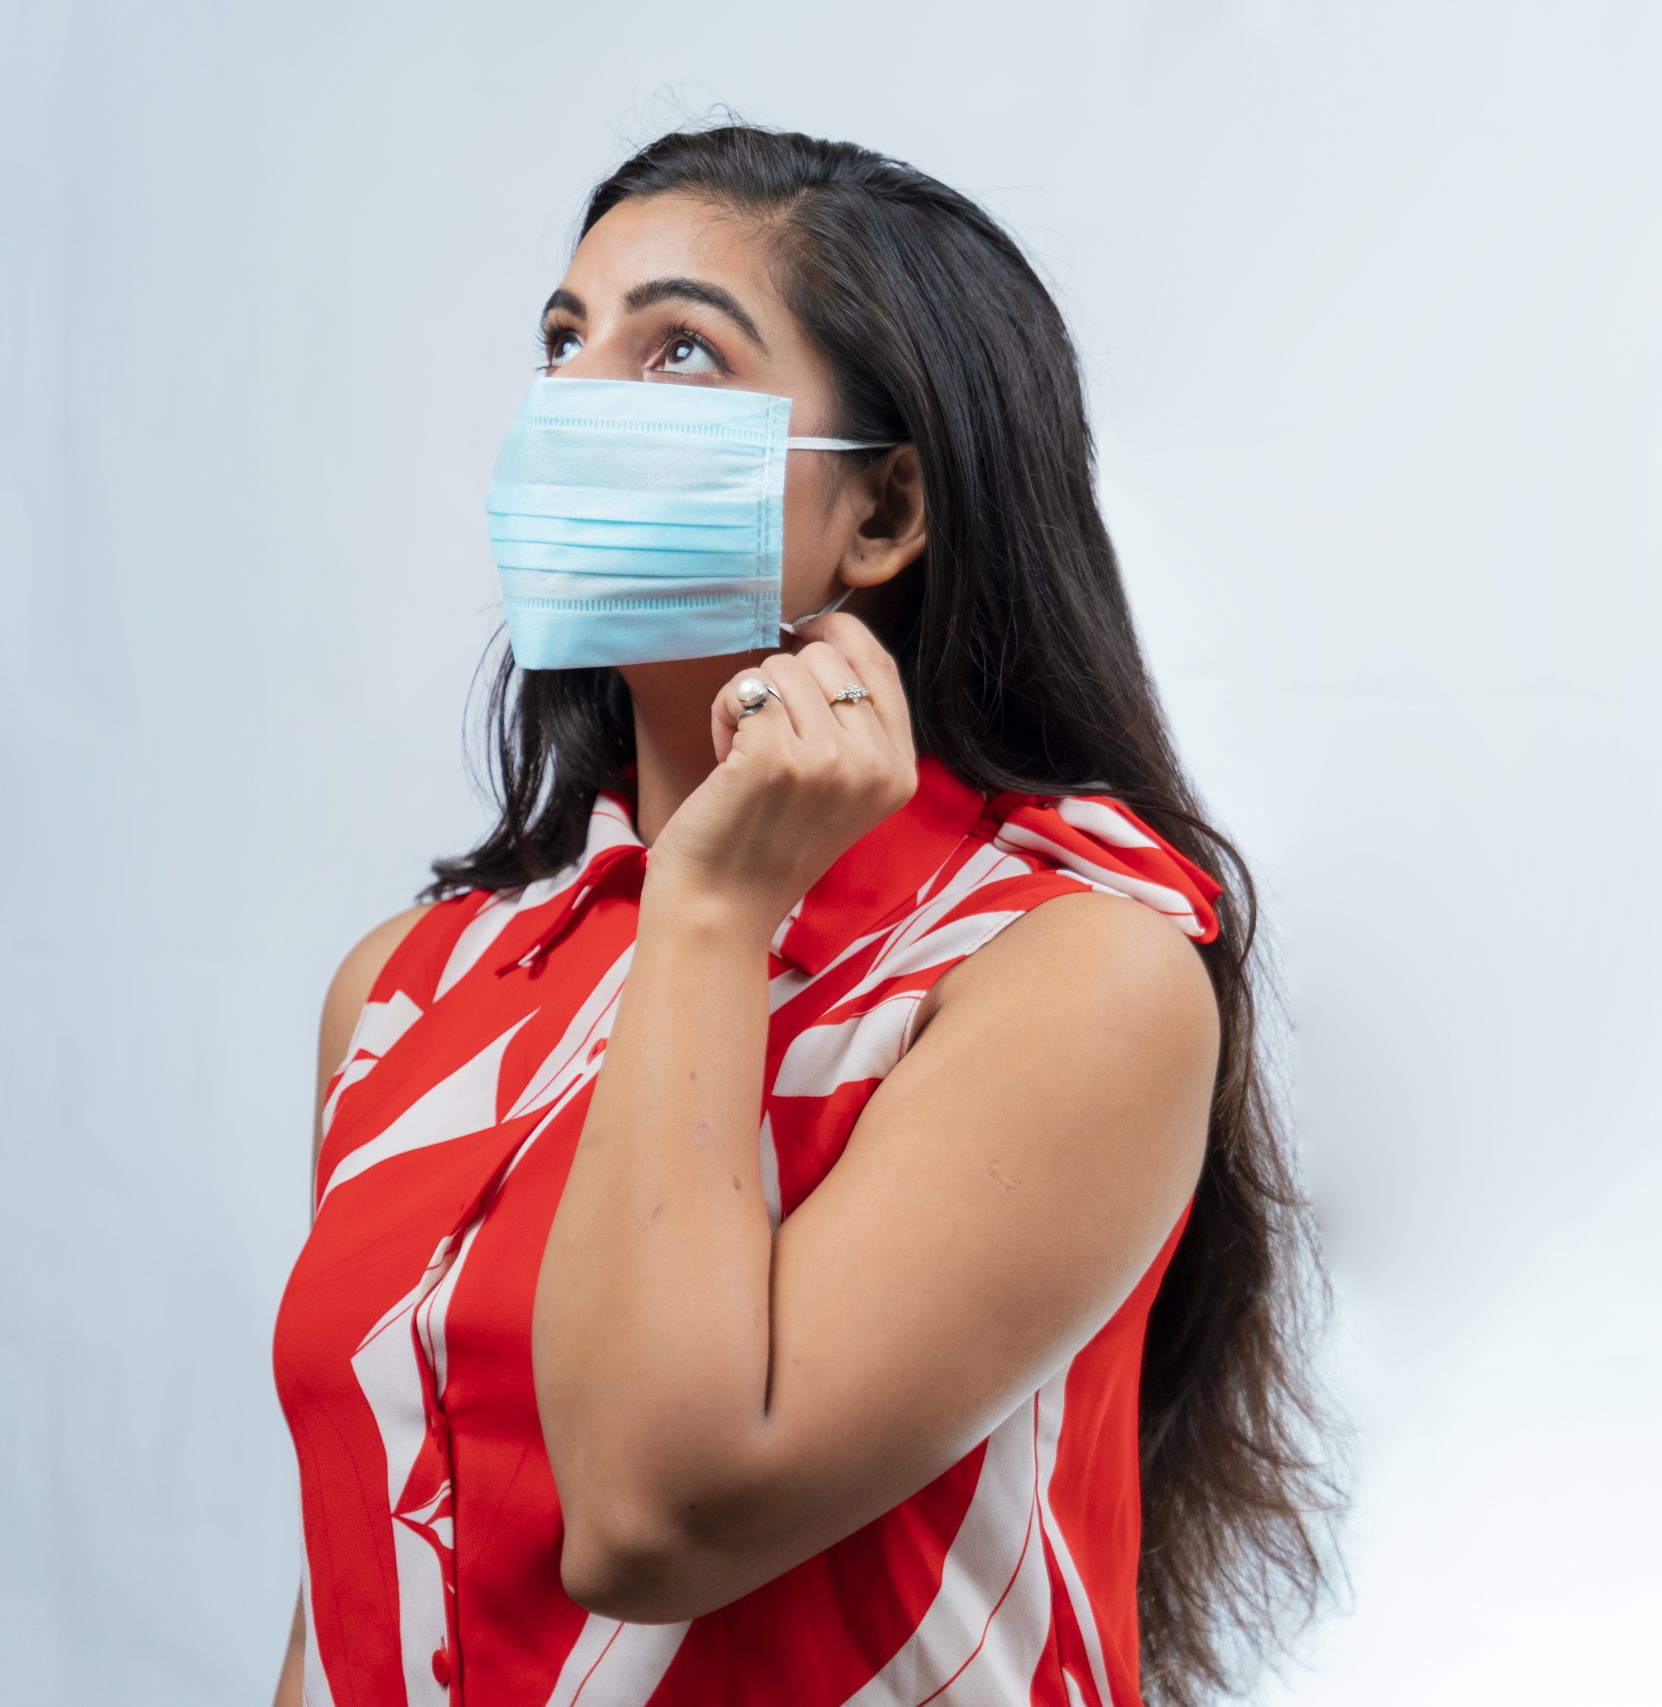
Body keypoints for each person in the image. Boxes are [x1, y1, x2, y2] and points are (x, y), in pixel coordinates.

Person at [268, 122, 1345, 1707]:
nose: (572, 402)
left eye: (679, 354)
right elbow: (354, 1577)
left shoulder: (1070, 968)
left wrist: (709, 907)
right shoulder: (412, 990)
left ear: (884, 511)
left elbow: (656, 1515)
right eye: (563, 342)